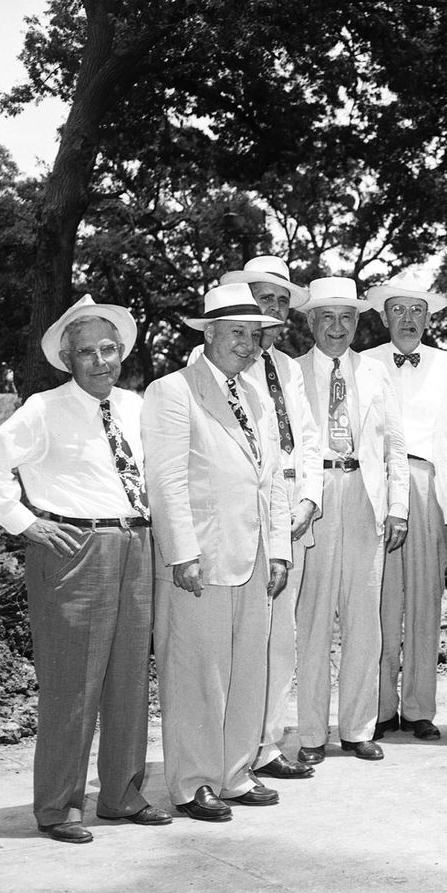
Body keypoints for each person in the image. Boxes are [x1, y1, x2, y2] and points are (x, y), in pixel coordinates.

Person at [0, 295, 169, 844]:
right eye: (86, 352)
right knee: (71, 684)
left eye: (109, 349)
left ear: (122, 351)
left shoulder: (136, 404)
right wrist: (25, 523)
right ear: (68, 359)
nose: (100, 361)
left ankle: (123, 795)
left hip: (135, 541)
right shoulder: (43, 408)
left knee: (128, 677)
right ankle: (58, 807)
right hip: (74, 547)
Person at [141, 282, 291, 823]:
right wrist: (181, 553)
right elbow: (167, 479)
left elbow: (271, 477)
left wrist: (279, 550)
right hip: (200, 557)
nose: (248, 346)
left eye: (254, 336)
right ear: (208, 334)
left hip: (253, 554)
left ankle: (234, 772)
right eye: (236, 334)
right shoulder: (172, 391)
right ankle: (191, 781)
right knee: (196, 671)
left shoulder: (256, 394)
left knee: (248, 668)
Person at [186, 261, 323, 783]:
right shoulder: (209, 367)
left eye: (281, 302)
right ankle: (227, 752)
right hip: (240, 514)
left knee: (280, 636)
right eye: (262, 298)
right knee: (240, 640)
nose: (272, 310)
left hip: (291, 507)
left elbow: (307, 438)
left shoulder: (287, 369)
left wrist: (309, 497)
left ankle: (266, 744)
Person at [294, 276, 409, 766]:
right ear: (311, 322)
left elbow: (394, 445)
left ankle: (359, 728)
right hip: (312, 497)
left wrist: (398, 506)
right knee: (313, 619)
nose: (337, 328)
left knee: (365, 617)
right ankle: (311, 734)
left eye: (346, 318)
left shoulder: (375, 371)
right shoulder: (290, 373)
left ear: (358, 322)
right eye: (326, 318)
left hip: (365, 495)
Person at [363, 271, 447, 742]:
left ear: (430, 318)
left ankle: (420, 709)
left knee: (426, 601)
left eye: (418, 310)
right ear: (384, 316)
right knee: (382, 603)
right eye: (399, 309)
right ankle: (381, 709)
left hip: (427, 483)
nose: (408, 319)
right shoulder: (363, 363)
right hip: (377, 485)